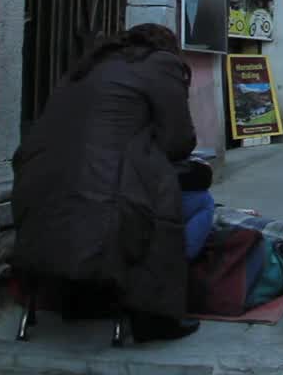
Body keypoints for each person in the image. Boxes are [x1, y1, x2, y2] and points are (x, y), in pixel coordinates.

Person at [11, 24, 202, 343]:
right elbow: (178, 141)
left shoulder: (86, 67)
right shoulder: (161, 64)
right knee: (199, 204)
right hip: (107, 209)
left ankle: (84, 295)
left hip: (35, 201)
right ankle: (157, 307)